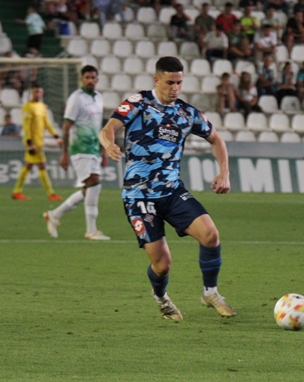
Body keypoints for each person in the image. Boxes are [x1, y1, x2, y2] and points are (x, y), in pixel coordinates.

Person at [98, 56, 236, 321]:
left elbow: (216, 139)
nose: (175, 88)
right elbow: (109, 127)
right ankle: (161, 298)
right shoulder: (138, 103)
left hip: (172, 191)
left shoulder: (187, 113)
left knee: (211, 236)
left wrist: (224, 172)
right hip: (139, 197)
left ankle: (211, 293)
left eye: (179, 83)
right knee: (162, 264)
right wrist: (108, 143)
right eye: (170, 82)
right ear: (157, 80)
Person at [44, 65, 109, 240]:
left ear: (97, 79)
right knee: (94, 183)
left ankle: (54, 215)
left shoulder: (99, 98)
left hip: (94, 148)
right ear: (81, 79)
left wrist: (103, 150)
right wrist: (64, 153)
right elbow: (66, 126)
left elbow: (98, 125)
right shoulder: (76, 99)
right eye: (87, 77)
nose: (90, 80)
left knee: (88, 189)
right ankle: (91, 230)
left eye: (93, 77)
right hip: (79, 148)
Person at [12, 83, 63, 201]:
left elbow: (47, 123)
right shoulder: (28, 107)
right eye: (35, 92)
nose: (37, 94)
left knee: (28, 165)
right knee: (42, 166)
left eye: (39, 92)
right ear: (31, 93)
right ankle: (50, 193)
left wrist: (56, 136)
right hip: (32, 143)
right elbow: (26, 126)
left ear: (42, 93)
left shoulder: (42, 106)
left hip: (39, 142)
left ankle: (17, 191)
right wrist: (30, 143)